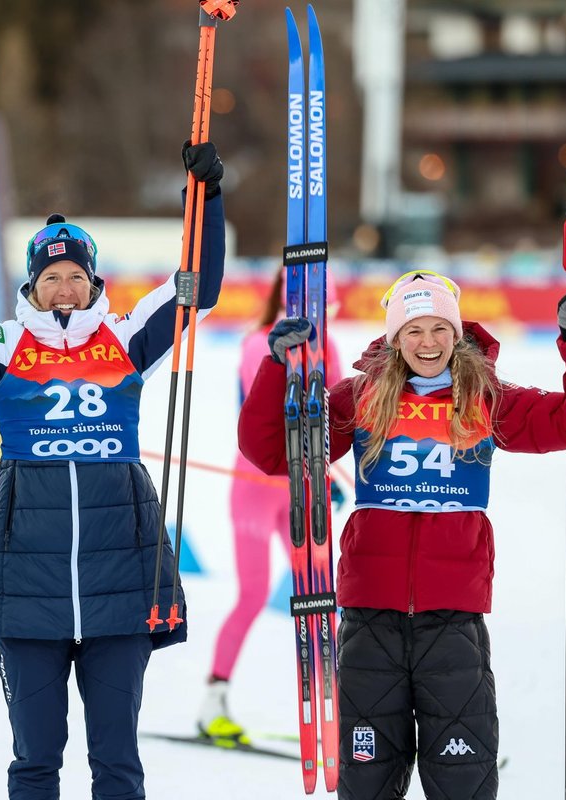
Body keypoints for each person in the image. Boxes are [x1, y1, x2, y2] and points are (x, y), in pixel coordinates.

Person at [0, 140, 226, 800]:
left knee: (117, 761)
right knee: (35, 761)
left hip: (121, 580)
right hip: (26, 586)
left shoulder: (128, 340)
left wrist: (205, 200)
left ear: (94, 283)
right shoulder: (5, 347)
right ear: (32, 287)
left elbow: (198, 287)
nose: (64, 287)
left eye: (75, 276)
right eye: (51, 278)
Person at [237, 270, 566, 798]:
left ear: (457, 333)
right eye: (414, 330)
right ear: (395, 338)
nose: (428, 342)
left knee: (462, 780)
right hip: (371, 618)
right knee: (366, 780)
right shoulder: (359, 399)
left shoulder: (485, 398)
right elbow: (274, 453)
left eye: (440, 328)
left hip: (453, 620)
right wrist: (279, 367)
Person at [196, 266, 342, 745]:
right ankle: (213, 700)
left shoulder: (331, 346)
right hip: (257, 484)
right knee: (254, 594)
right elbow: (261, 412)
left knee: (322, 601)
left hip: (305, 484)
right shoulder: (258, 341)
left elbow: (337, 418)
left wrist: (333, 475)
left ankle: (347, 706)